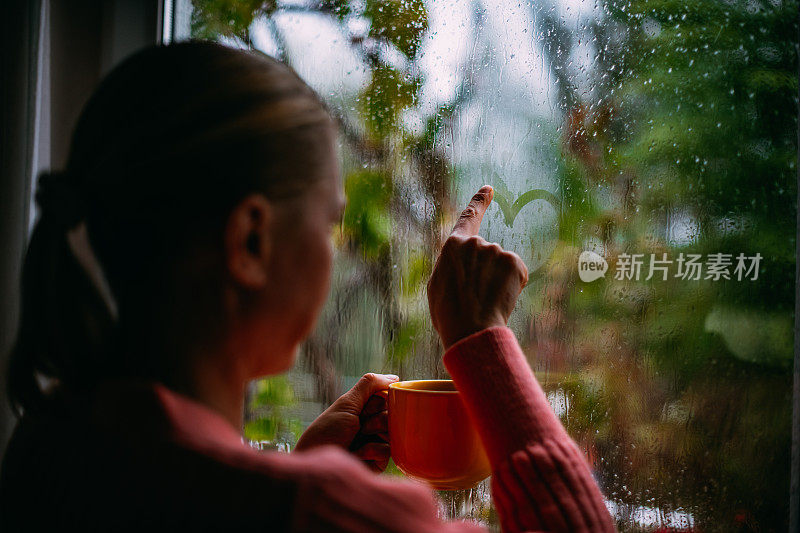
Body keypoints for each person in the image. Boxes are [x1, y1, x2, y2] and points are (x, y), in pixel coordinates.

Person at [0, 41, 615, 532]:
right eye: (328, 222)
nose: (334, 248)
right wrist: (483, 336)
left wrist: (303, 474)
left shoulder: (47, 444)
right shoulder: (322, 513)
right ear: (250, 242)